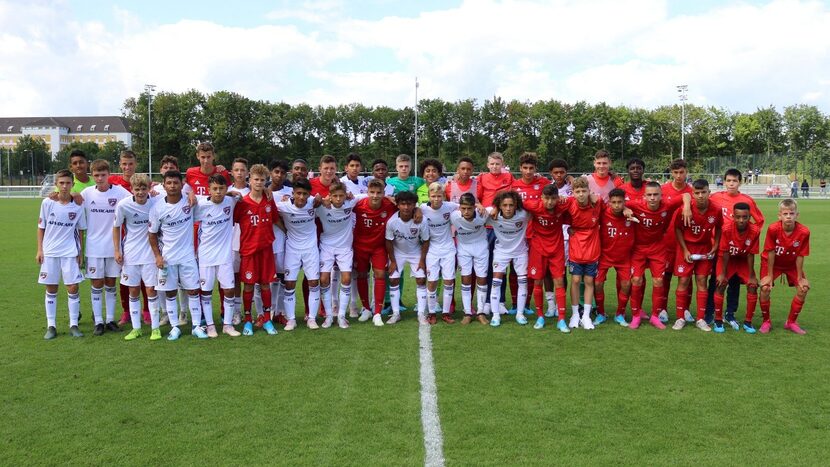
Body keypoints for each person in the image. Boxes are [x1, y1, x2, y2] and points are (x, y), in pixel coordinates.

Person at [626, 181, 691, 329]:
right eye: (649, 195)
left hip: (658, 248)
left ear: (662, 195)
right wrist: (624, 209)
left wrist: (686, 207)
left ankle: (655, 316)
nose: (653, 198)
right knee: (636, 280)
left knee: (658, 282)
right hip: (638, 248)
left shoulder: (667, 205)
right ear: (644, 196)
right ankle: (636, 316)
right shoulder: (636, 205)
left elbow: (686, 194)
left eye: (656, 194)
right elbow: (616, 204)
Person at [147, 170, 204, 341]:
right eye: (169, 183)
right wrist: (157, 256)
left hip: (187, 256)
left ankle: (196, 326)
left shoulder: (191, 202)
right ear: (163, 185)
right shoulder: (157, 208)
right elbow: (152, 234)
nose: (172, 186)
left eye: (175, 183)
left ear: (182, 184)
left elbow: (215, 197)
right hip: (168, 258)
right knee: (170, 292)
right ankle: (174, 327)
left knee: (193, 290)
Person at [706, 168, 765, 324]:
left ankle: (730, 313)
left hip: (739, 249)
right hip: (718, 246)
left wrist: (746, 237)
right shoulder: (715, 198)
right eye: (729, 180)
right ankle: (710, 313)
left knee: (734, 282)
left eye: (735, 181)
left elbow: (759, 221)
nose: (731, 184)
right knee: (716, 280)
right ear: (724, 181)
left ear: (740, 182)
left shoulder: (747, 201)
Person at [80, 159, 132, 335]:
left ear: (110, 175)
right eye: (96, 175)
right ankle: (99, 321)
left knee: (111, 282)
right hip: (93, 247)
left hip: (114, 247)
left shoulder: (120, 193)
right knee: (96, 283)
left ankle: (110, 319)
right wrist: (55, 195)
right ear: (92, 176)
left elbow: (137, 198)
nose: (100, 178)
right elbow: (71, 199)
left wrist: (154, 191)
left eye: (103, 175)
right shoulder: (87, 194)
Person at [37, 169, 86, 339]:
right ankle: (51, 326)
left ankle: (74, 324)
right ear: (56, 184)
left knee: (73, 287)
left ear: (72, 184)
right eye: (61, 183)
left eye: (68, 183)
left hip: (70, 252)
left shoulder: (78, 205)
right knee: (51, 288)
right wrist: (40, 250)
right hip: (50, 252)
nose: (64, 186)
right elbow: (41, 228)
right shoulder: (47, 203)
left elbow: (80, 230)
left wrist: (81, 253)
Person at [113, 174, 162, 341]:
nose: (140, 192)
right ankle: (136, 328)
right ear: (131, 190)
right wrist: (117, 250)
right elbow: (116, 227)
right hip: (131, 254)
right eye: (137, 189)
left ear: (149, 188)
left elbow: (176, 193)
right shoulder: (124, 205)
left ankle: (155, 328)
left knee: (151, 290)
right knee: (133, 290)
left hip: (150, 254)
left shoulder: (156, 201)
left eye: (143, 188)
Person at [233, 164, 279, 335]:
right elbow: (232, 221)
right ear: (249, 180)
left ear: (266, 181)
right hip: (249, 251)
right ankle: (247, 321)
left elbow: (275, 219)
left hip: (266, 249)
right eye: (256, 179)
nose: (259, 183)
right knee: (249, 286)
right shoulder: (242, 203)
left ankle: (267, 319)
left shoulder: (269, 200)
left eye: (262, 180)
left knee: (265, 284)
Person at [671, 179, 722, 332]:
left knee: (702, 281)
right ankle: (680, 317)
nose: (700, 196)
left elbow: (719, 228)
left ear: (709, 192)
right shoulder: (685, 209)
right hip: (686, 247)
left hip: (704, 248)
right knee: (684, 281)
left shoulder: (716, 209)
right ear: (692, 194)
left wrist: (715, 244)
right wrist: (685, 250)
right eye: (697, 193)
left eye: (703, 192)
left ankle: (700, 319)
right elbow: (678, 229)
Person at [274, 178, 323, 329]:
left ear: (309, 195)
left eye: (305, 194)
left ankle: (312, 319)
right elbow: (270, 212)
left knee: (313, 282)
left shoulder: (314, 203)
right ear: (293, 193)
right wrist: (284, 228)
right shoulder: (283, 206)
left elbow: (330, 201)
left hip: (310, 249)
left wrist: (321, 198)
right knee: (289, 284)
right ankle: (291, 320)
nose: (301, 197)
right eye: (299, 193)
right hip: (292, 250)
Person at [195, 174, 238, 338]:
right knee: (206, 292)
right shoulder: (200, 205)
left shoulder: (231, 201)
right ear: (209, 190)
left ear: (226, 189)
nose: (218, 192)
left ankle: (227, 325)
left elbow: (241, 194)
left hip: (225, 256)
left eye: (221, 188)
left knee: (229, 290)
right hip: (205, 256)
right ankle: (211, 325)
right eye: (215, 189)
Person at [758, 199, 810, 334]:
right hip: (772, 263)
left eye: (791, 213)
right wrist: (769, 276)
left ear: (797, 215)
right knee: (764, 288)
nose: (788, 216)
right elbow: (770, 252)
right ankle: (766, 321)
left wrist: (799, 278)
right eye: (785, 213)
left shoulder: (804, 232)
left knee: (803, 289)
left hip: (791, 264)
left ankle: (791, 322)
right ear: (779, 215)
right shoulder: (773, 229)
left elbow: (800, 255)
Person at [522, 184, 568, 331]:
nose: (550, 202)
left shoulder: (563, 205)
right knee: (537, 282)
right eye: (547, 198)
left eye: (553, 198)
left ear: (558, 198)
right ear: (541, 198)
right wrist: (496, 208)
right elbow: (515, 200)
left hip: (557, 249)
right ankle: (540, 316)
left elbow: (580, 200)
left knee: (560, 282)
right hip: (538, 248)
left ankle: (561, 319)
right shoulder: (533, 205)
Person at [352, 178, 397, 326]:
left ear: (384, 193)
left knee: (380, 275)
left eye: (379, 192)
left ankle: (377, 312)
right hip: (360, 246)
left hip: (379, 247)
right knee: (362, 275)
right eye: (372, 192)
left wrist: (416, 210)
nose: (375, 196)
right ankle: (366, 309)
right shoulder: (358, 205)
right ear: (367, 192)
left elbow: (405, 206)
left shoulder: (389, 205)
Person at [561, 177, 603, 330]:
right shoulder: (569, 203)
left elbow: (611, 210)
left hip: (592, 248)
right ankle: (574, 314)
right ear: (573, 193)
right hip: (576, 248)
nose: (581, 194)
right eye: (577, 191)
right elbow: (555, 211)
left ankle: (586, 315)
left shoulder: (596, 203)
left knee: (589, 281)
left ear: (588, 191)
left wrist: (625, 209)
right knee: (576, 280)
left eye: (583, 191)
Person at [477, 152, 514, 316]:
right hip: (486, 228)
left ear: (502, 164)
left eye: (497, 164)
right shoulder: (482, 178)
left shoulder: (509, 178)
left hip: (503, 227)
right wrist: (480, 207)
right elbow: (476, 199)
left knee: (501, 265)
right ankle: (485, 301)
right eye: (492, 164)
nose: (494, 167)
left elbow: (513, 198)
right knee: (486, 265)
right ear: (487, 164)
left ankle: (500, 301)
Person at [714, 202, 760, 333]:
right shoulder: (726, 229)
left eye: (745, 217)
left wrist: (752, 276)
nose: (741, 220)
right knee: (721, 284)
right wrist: (722, 274)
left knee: (752, 286)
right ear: (733, 216)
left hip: (743, 261)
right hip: (727, 261)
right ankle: (718, 320)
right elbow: (725, 253)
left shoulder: (755, 230)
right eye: (738, 217)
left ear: (749, 216)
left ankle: (748, 322)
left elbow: (751, 254)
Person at [317, 180, 358, 329]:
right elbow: (307, 204)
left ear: (345, 195)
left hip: (345, 248)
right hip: (327, 246)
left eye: (341, 195)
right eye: (335, 196)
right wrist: (320, 199)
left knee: (346, 278)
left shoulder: (350, 203)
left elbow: (367, 196)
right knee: (323, 279)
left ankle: (341, 316)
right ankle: (329, 316)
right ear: (330, 196)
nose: (339, 199)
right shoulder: (322, 207)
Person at [657, 159, 694, 323]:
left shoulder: (693, 192)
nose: (679, 176)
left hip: (686, 242)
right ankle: (662, 309)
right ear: (671, 173)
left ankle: (686, 309)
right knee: (665, 276)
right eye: (676, 172)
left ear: (687, 172)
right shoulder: (663, 190)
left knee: (687, 277)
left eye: (682, 172)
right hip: (665, 241)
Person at [385, 190, 429, 324]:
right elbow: (389, 241)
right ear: (397, 205)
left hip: (416, 252)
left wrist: (422, 260)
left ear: (414, 205)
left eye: (409, 204)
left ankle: (421, 313)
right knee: (393, 280)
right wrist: (392, 261)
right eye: (403, 204)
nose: (406, 207)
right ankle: (396, 313)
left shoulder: (421, 220)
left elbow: (426, 240)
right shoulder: (392, 222)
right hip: (398, 252)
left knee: (421, 279)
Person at [485, 190, 528, 327]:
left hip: (520, 252)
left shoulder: (524, 214)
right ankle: (496, 315)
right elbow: (475, 210)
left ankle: (520, 314)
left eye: (511, 205)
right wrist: (492, 208)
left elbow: (538, 207)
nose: (508, 208)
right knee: (496, 282)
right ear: (499, 205)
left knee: (523, 282)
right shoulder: (493, 215)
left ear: (516, 205)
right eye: (504, 205)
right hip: (501, 253)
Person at [595, 188, 635, 327]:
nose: (617, 205)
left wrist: (629, 209)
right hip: (604, 255)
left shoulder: (631, 215)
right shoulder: (603, 213)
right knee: (597, 283)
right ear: (609, 203)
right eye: (614, 202)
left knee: (626, 285)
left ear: (625, 202)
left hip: (624, 257)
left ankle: (620, 314)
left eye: (620, 202)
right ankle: (600, 313)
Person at [421, 182, 458, 324]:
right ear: (429, 196)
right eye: (433, 196)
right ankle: (431, 313)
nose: (436, 199)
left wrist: (479, 206)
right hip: (432, 250)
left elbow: (465, 206)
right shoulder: (422, 209)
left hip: (448, 249)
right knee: (432, 281)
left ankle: (446, 313)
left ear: (443, 196)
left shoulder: (450, 206)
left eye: (439, 196)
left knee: (449, 281)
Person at [449, 193, 490, 325]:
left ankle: (481, 312)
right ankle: (467, 312)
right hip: (464, 249)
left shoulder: (483, 213)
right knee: (466, 279)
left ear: (474, 207)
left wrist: (480, 205)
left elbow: (496, 209)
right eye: (463, 208)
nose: (466, 211)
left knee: (482, 279)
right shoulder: (454, 216)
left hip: (481, 248)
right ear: (459, 208)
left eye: (469, 208)